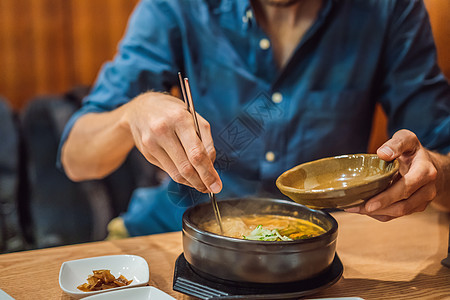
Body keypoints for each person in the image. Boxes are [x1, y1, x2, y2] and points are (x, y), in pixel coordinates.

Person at [59, 0, 450, 237]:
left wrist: (434, 174)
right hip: (169, 233)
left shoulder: (388, 9)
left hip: (314, 250)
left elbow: (440, 156)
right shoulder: (178, 8)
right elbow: (76, 158)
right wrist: (132, 113)